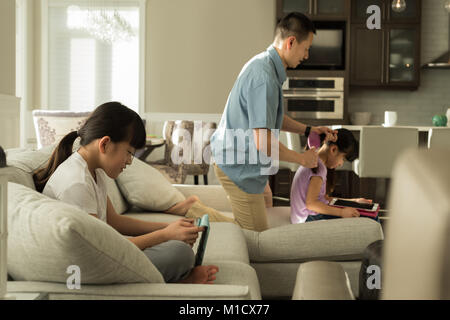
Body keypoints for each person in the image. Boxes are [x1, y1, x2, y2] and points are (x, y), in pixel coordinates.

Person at [33, 102, 219, 284]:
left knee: (176, 249)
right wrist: (165, 235)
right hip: (86, 268)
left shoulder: (93, 170)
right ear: (105, 144)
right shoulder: (76, 184)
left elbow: (114, 221)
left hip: (101, 252)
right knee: (179, 254)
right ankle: (182, 281)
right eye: (129, 153)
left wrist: (167, 227)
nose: (130, 161)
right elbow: (102, 249)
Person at [210, 12, 337, 232]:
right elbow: (264, 143)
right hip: (238, 164)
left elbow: (270, 119)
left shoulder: (264, 66)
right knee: (254, 237)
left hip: (241, 159)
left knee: (266, 205)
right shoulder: (265, 78)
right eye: (306, 48)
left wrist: (308, 129)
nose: (306, 56)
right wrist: (302, 159)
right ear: (291, 42)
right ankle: (193, 214)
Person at [290, 128, 372, 223]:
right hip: (307, 219)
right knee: (365, 218)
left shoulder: (314, 160)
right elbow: (311, 204)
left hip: (305, 217)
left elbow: (323, 199)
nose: (341, 164)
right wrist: (342, 212)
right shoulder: (318, 167)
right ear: (333, 149)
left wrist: (354, 202)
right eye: (343, 159)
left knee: (358, 214)